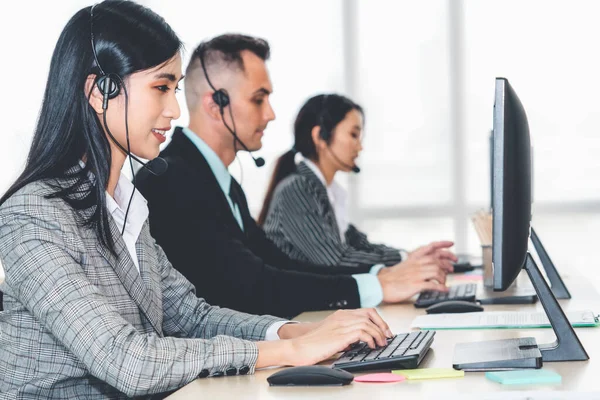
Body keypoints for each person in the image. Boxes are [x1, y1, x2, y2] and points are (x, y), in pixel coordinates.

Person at [0, 3, 395, 398]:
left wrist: (298, 331)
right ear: (100, 91)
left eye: (174, 89)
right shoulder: (33, 215)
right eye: (160, 88)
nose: (173, 110)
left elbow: (192, 316)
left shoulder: (127, 205)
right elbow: (126, 361)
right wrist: (288, 351)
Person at [136, 34, 454, 320]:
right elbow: (251, 285)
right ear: (216, 104)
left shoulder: (224, 184)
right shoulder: (172, 180)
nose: (271, 114)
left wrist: (380, 279)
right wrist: (376, 285)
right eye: (258, 99)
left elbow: (279, 265)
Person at [258, 94, 455, 270]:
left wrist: (411, 256)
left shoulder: (326, 192)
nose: (359, 147)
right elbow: (334, 260)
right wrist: (405, 259)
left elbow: (360, 245)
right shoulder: (298, 189)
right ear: (320, 136)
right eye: (353, 135)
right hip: (296, 310)